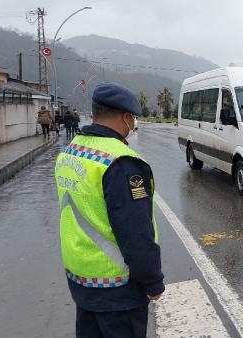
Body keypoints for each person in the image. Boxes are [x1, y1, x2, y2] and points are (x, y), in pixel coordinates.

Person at [54, 82, 164, 337]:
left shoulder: (72, 152)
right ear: (126, 117)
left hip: (81, 277)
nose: (133, 124)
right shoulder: (121, 162)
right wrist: (152, 281)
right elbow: (135, 231)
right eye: (133, 119)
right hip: (118, 287)